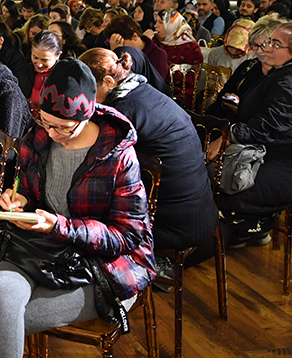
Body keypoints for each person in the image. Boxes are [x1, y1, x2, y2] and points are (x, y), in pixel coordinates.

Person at [0, 59, 153, 358]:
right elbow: (30, 191)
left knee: (1, 318)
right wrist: (18, 198)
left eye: (63, 126)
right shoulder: (39, 139)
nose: (52, 133)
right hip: (44, 248)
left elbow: (128, 236)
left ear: (86, 115)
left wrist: (62, 226)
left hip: (103, 265)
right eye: (45, 122)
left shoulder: (117, 155)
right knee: (0, 292)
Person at [81, 47, 217, 270]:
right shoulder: (146, 91)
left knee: (86, 218)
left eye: (88, 89)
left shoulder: (122, 111)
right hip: (202, 210)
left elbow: (96, 163)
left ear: (107, 81)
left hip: (174, 223)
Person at [216, 22, 292, 248]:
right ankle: (242, 235)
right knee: (216, 180)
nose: (266, 48)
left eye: (275, 44)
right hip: (279, 156)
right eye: (267, 42)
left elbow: (267, 126)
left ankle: (201, 253)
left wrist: (227, 136)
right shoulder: (285, 73)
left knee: (222, 190)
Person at [105, 15, 169, 80]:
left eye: (119, 42)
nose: (120, 46)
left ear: (134, 36)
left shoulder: (158, 55)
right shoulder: (120, 53)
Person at [26, 30, 62, 104]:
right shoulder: (23, 72)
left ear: (58, 55)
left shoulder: (63, 77)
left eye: (44, 60)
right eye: (35, 57)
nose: (39, 64)